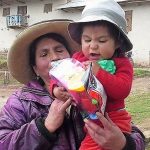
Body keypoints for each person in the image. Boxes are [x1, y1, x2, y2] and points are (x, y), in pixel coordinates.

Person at [0, 19, 145, 150]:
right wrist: (44, 127)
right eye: (44, 54)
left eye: (59, 50)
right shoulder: (21, 102)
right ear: (35, 68)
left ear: (71, 57)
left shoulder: (93, 85)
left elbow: (134, 133)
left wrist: (124, 144)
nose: (55, 57)